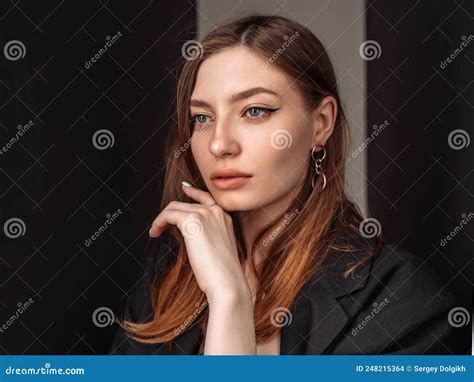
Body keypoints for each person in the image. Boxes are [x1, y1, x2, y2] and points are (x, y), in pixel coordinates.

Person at [109, 14, 467, 355]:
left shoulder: (400, 298)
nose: (219, 144)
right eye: (202, 117)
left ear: (321, 123)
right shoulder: (168, 274)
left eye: (255, 111)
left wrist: (229, 297)